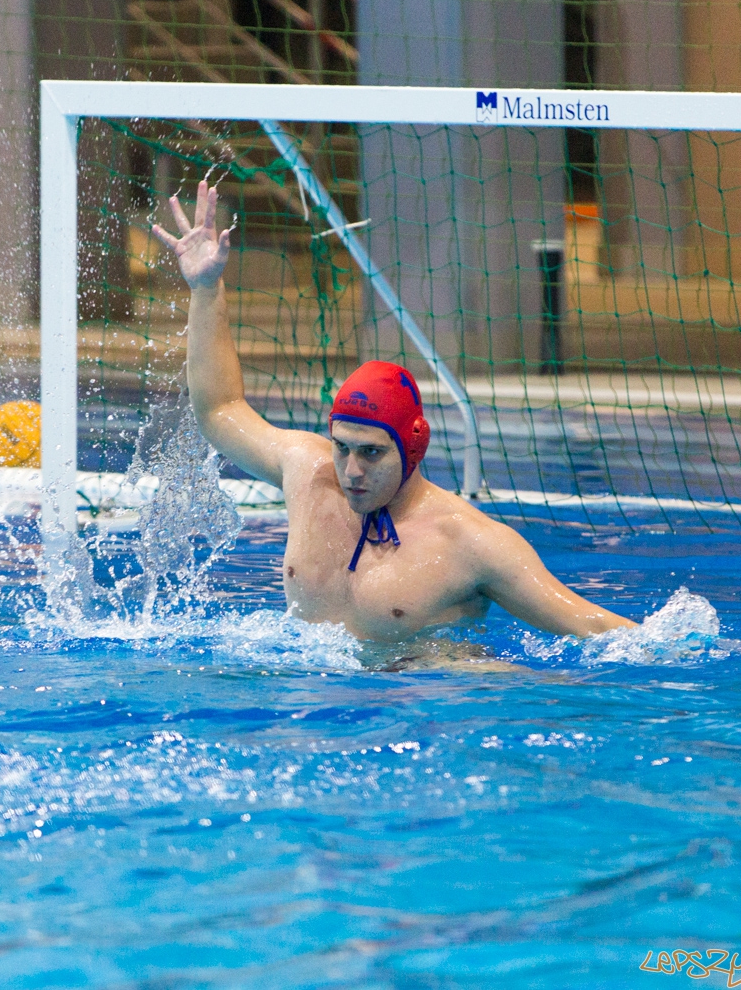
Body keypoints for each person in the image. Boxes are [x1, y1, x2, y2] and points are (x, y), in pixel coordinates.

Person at [152, 181, 635, 659]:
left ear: (414, 447)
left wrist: (685, 650)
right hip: (310, 703)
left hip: (421, 698)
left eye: (372, 453)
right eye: (342, 447)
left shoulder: (470, 542)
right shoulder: (306, 470)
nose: (352, 471)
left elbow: (587, 623)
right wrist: (205, 288)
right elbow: (219, 410)